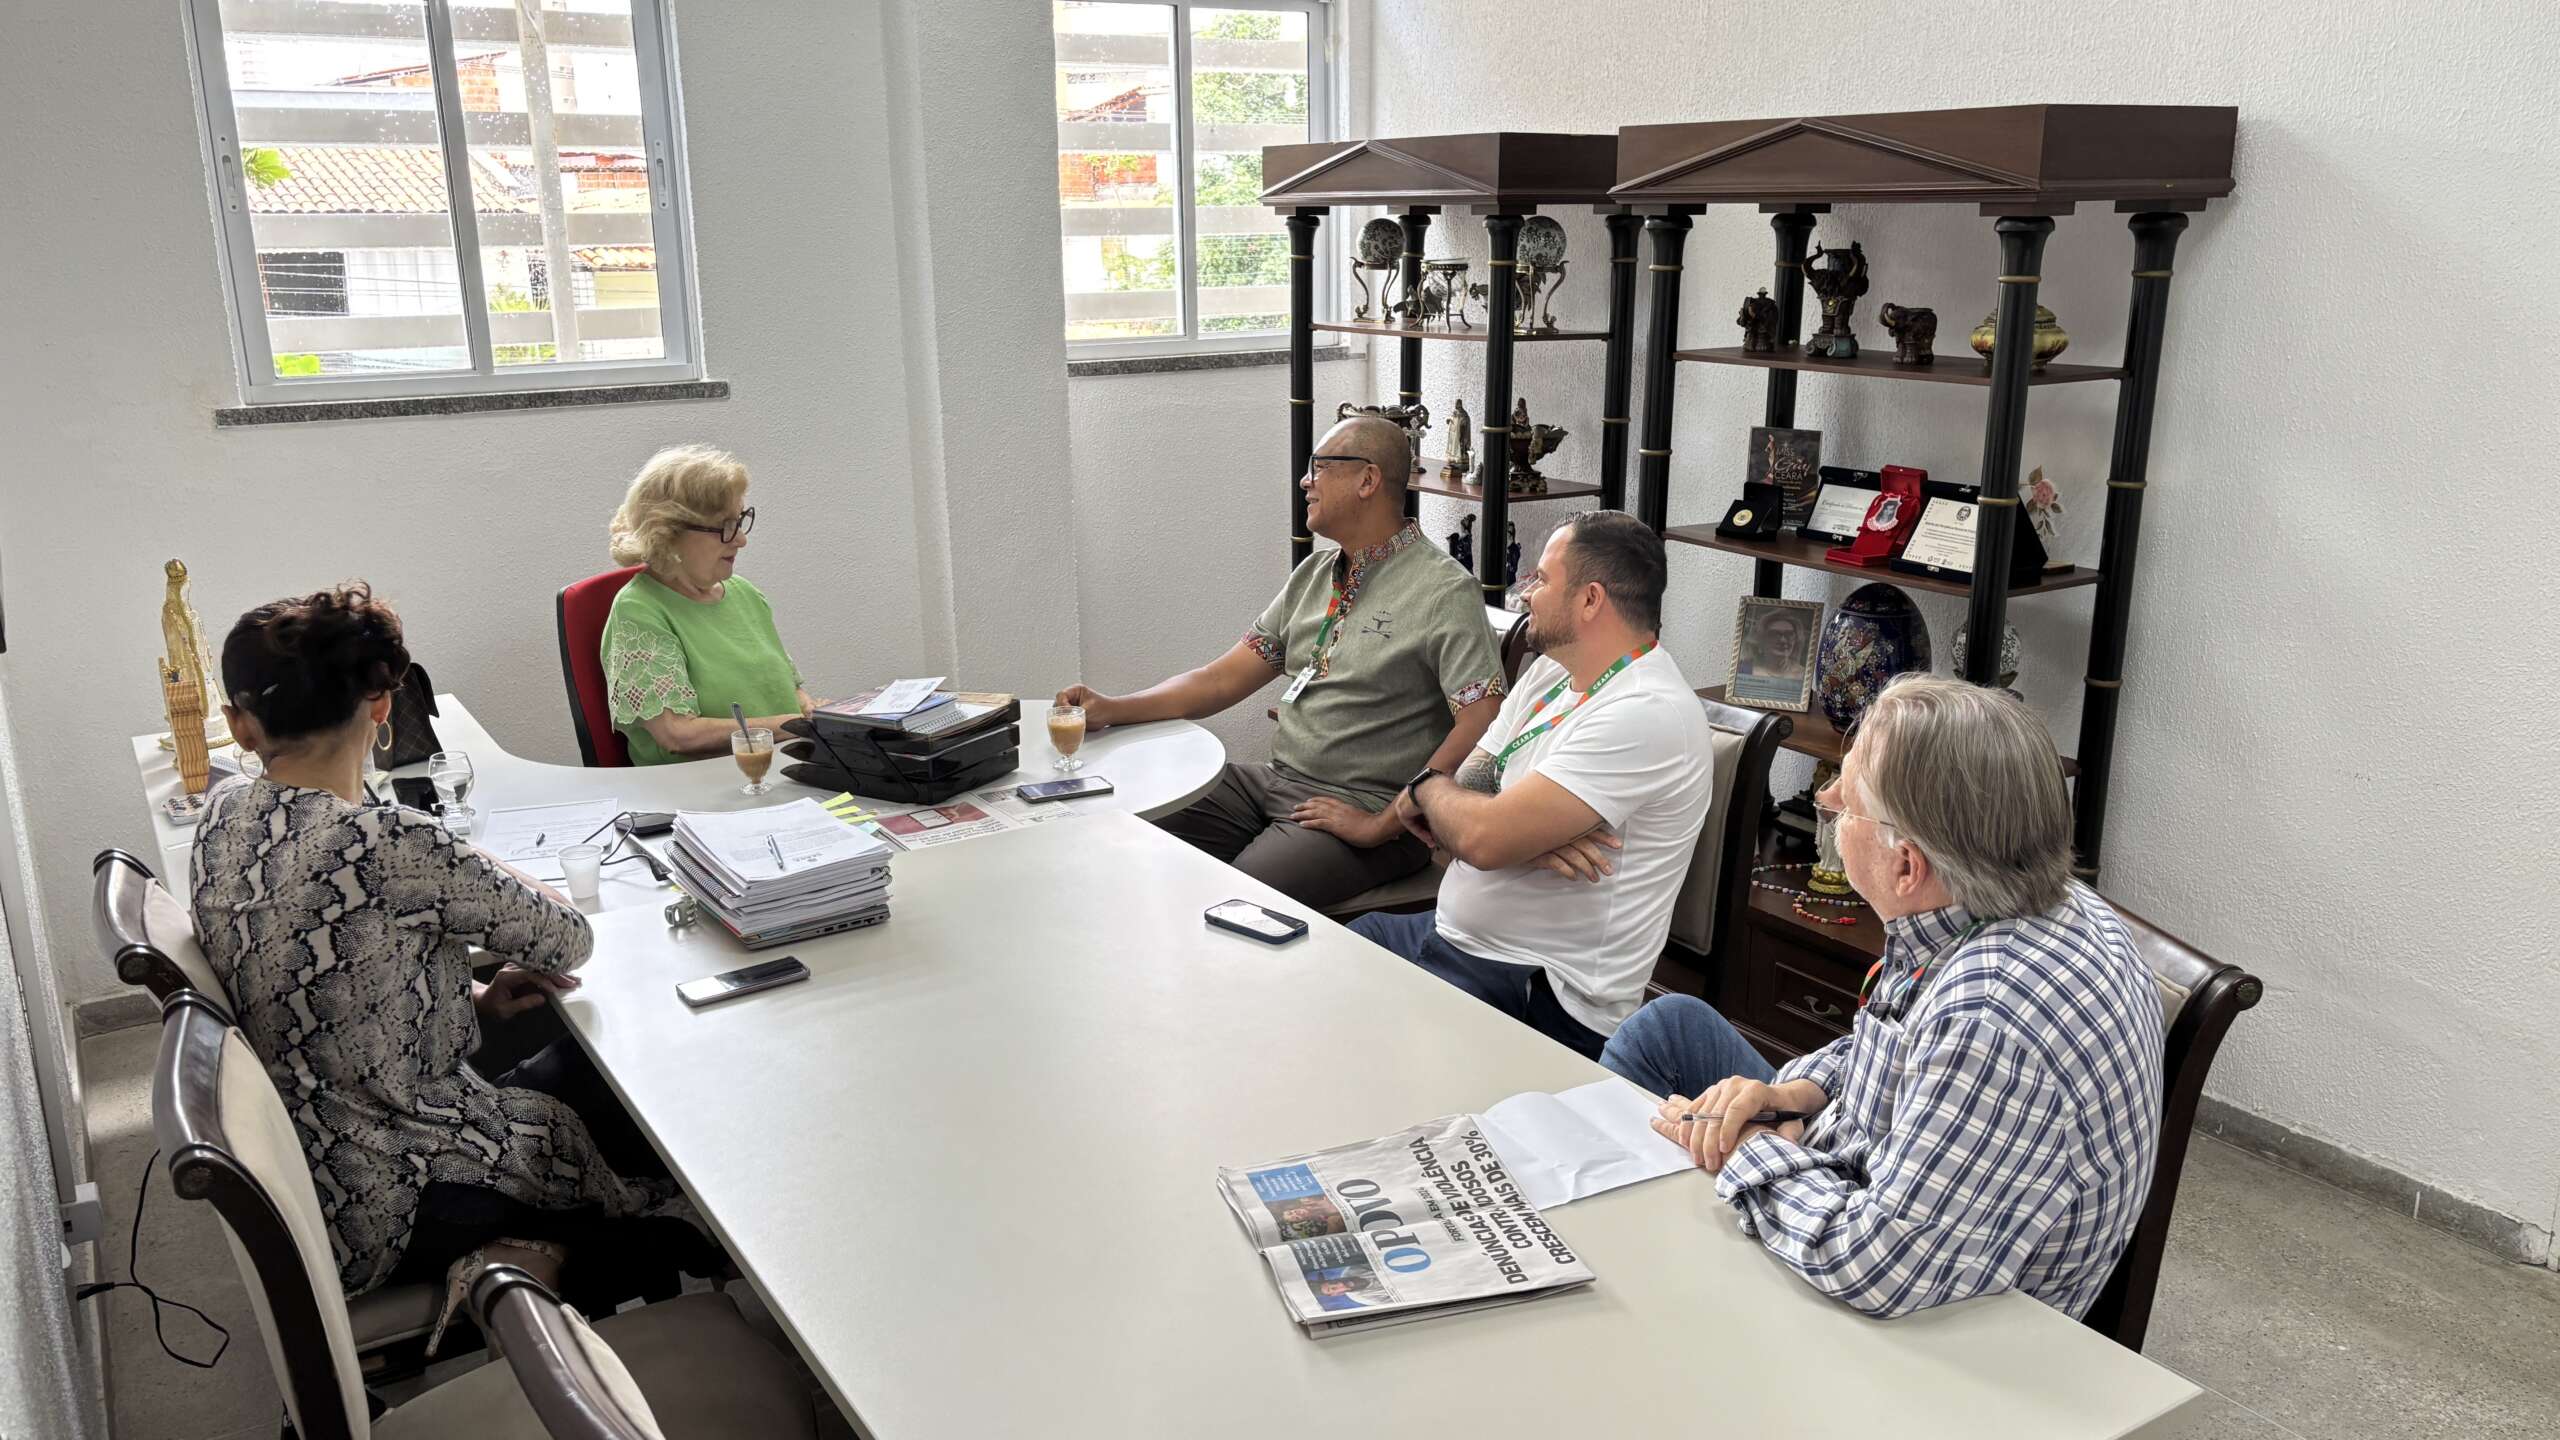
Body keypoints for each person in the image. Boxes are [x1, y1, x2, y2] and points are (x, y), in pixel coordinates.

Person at [193, 584, 712, 1345]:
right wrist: (463, 863)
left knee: (578, 1064)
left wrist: (469, 1001)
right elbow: (566, 938)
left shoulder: (225, 814)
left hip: (313, 1168)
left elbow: (328, 984)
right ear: (381, 704)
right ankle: (548, 1272)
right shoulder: (389, 842)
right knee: (647, 1092)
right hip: (399, 1193)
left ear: (241, 725)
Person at [1599, 674, 2164, 1320]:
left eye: (1848, 794)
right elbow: (1901, 1035)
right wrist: (1792, 1096)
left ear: (1906, 864)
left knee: (1681, 1165)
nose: (1829, 796)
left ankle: (1627, 1298)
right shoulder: (2016, 902)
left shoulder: (1989, 1020)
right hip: (1879, 1170)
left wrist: (1753, 1152)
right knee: (1668, 1030)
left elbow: (1875, 1262)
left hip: (1925, 1334)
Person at [1055, 416, 1506, 907]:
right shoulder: (1314, 573)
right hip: (1272, 781)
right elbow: (1220, 680)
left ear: (1367, 480)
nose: (1305, 481)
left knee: (1234, 902)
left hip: (1364, 807)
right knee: (1129, 832)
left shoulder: (1443, 590)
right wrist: (1112, 708)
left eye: (1319, 467)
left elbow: (1483, 717)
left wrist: (1383, 824)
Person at [1351, 512, 1711, 1058]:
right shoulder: (1552, 674)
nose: (1525, 593)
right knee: (1309, 966)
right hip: (1453, 940)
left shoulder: (1648, 711)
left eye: (1542, 579)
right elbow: (1465, 796)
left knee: (1347, 1042)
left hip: (1536, 993)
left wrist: (1435, 796)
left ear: (1590, 599)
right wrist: (1497, 824)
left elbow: (1477, 839)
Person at [600, 444, 816, 765]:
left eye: (740, 520)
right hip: (699, 790)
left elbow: (789, 690)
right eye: (725, 527)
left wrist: (824, 717)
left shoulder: (744, 593)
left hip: (780, 768)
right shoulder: (639, 610)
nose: (741, 539)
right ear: (668, 533)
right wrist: (796, 727)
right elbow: (677, 734)